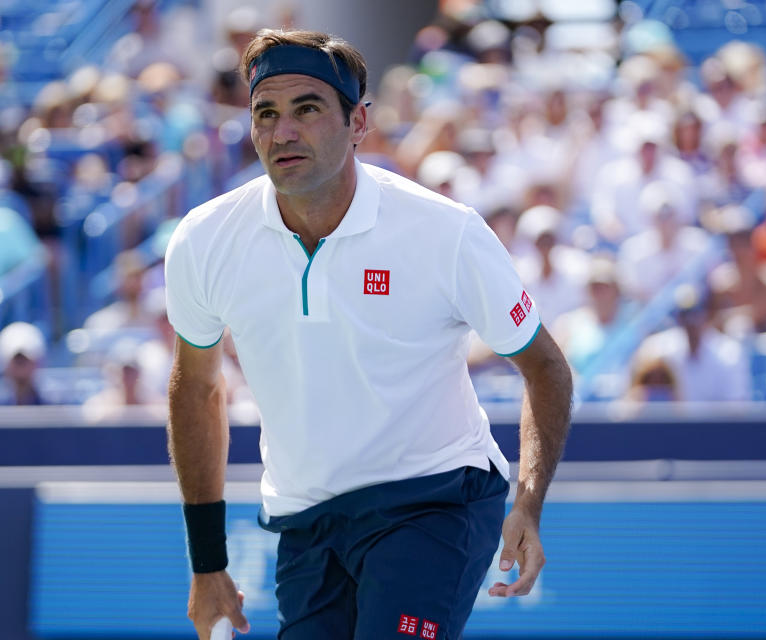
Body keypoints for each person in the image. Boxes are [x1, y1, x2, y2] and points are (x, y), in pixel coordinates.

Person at [163, 29, 572, 640]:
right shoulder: (203, 240)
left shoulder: (445, 232)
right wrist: (207, 565)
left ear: (358, 122)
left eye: (307, 109)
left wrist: (530, 501)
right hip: (307, 521)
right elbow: (195, 391)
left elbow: (545, 367)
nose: (283, 132)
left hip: (436, 499)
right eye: (266, 113)